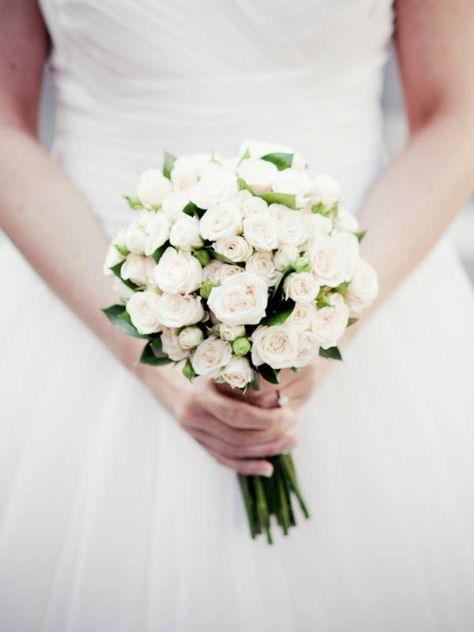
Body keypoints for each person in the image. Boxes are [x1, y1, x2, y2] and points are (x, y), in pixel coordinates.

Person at [0, 1, 473, 630]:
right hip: (83, 283)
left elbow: (455, 115)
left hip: (374, 273)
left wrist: (326, 320)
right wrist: (149, 354)